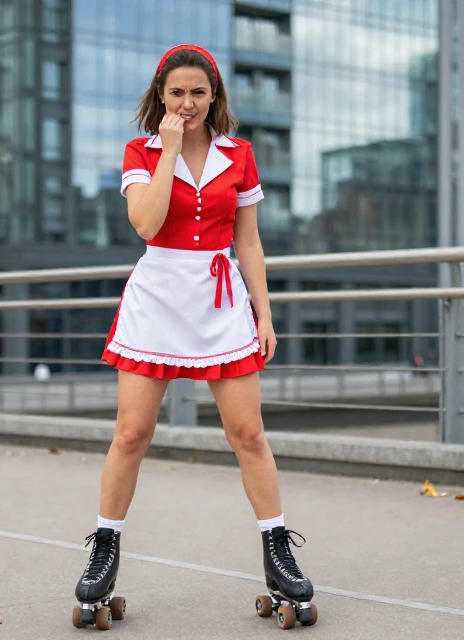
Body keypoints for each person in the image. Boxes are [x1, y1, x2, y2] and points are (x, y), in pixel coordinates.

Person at [71, 44, 316, 631]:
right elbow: (146, 223)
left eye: (198, 93)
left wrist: (264, 312)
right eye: (176, 92)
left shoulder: (241, 154)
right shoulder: (142, 150)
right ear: (161, 95)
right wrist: (171, 151)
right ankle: (104, 551)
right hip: (157, 297)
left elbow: (249, 242)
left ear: (214, 97)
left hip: (220, 299)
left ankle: (278, 551)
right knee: (131, 433)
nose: (187, 103)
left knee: (249, 433)